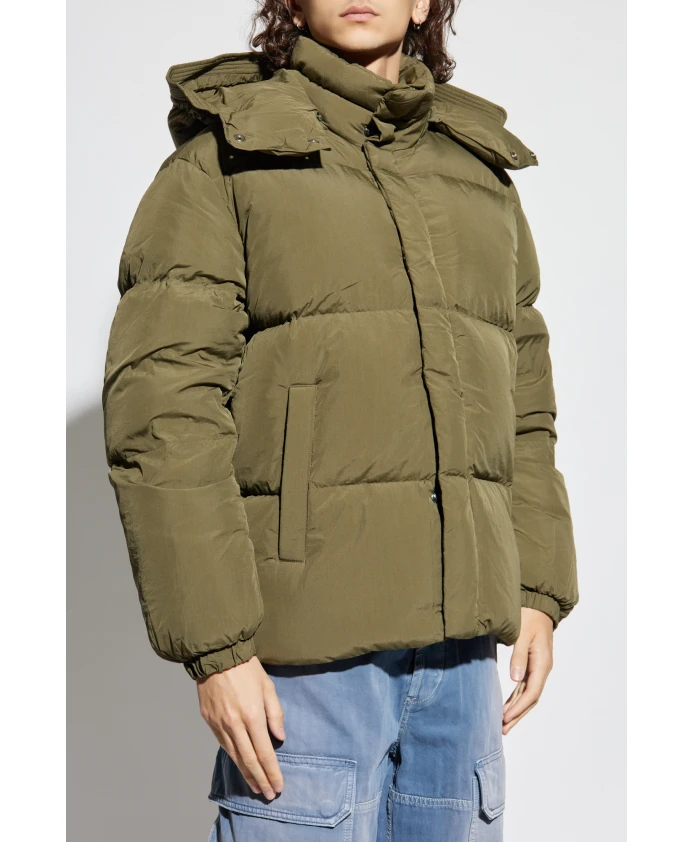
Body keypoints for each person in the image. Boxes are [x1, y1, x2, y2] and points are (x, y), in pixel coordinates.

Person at [102, 1, 579, 839]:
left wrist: (537, 586)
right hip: (305, 655)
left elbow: (523, 400)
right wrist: (216, 649)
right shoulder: (226, 163)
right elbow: (162, 412)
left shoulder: (476, 173)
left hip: (461, 659)